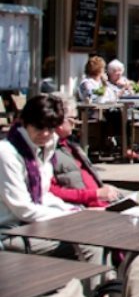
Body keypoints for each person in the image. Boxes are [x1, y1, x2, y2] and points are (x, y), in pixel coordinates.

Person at [0, 95, 105, 272]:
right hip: (9, 231)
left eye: (50, 128)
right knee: (91, 245)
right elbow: (23, 208)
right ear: (25, 123)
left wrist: (74, 211)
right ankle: (93, 290)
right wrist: (68, 216)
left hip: (32, 224)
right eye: (39, 127)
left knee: (100, 233)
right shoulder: (7, 153)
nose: (45, 134)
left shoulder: (41, 148)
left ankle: (107, 287)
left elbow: (43, 195)